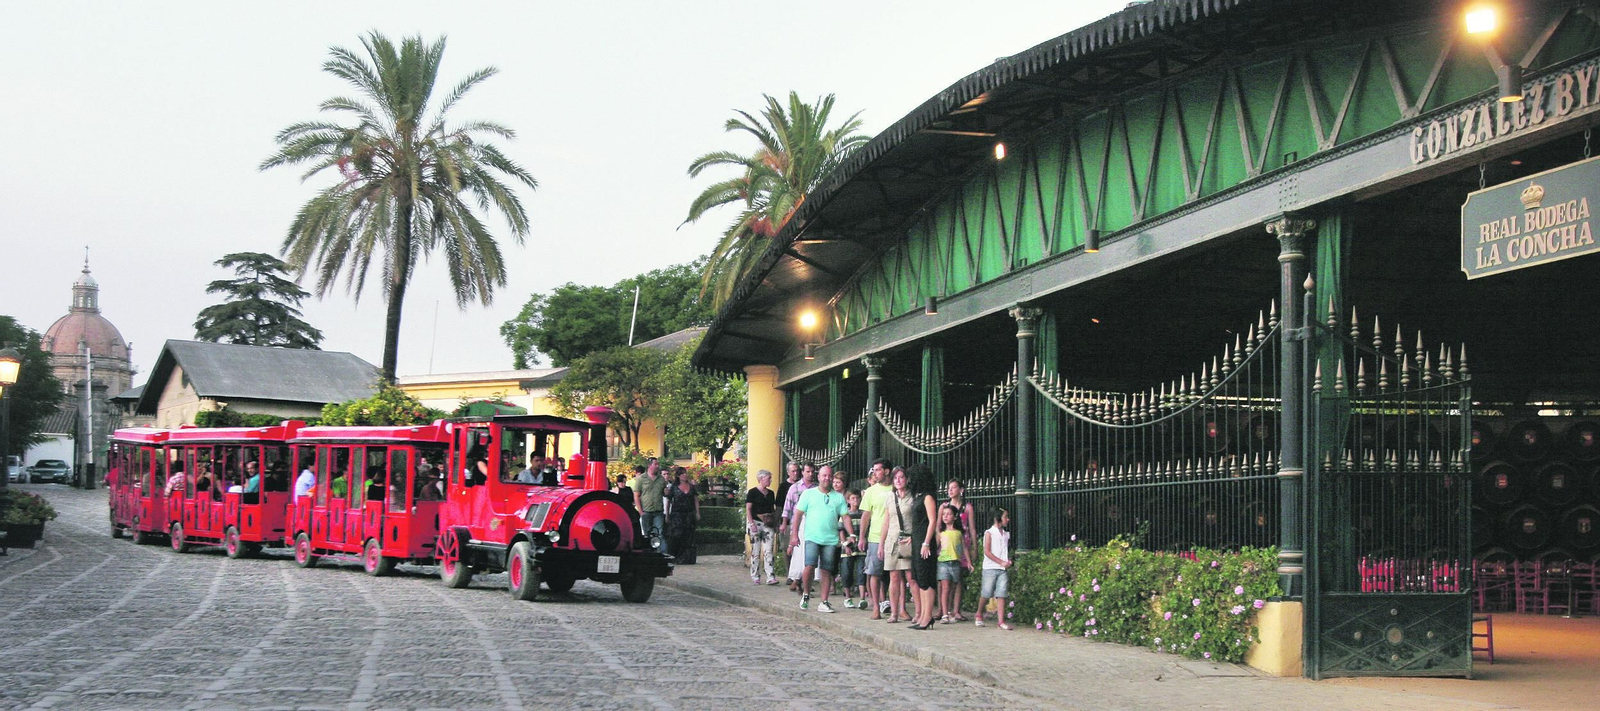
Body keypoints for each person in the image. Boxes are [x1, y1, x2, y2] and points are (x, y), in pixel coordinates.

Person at [791, 465, 853, 613]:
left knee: (826, 570)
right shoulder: (808, 494)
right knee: (809, 566)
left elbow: (845, 517)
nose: (827, 478)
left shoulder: (838, 497)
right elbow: (798, 514)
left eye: (829, 476)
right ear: (819, 477)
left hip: (830, 539)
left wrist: (852, 534)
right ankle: (806, 593)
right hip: (812, 536)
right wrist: (794, 535)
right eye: (824, 475)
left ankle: (824, 601)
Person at [905, 465, 941, 630]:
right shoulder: (918, 496)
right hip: (917, 541)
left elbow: (932, 521)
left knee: (927, 579)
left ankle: (927, 616)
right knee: (919, 578)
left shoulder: (928, 497)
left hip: (924, 543)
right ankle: (923, 616)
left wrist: (926, 542)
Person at [858, 458, 893, 619]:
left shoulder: (896, 488)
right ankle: (876, 606)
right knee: (874, 573)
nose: (875, 473)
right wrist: (862, 537)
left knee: (895, 574)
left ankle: (895, 605)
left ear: (886, 471)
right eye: (874, 470)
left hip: (894, 536)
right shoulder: (871, 491)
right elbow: (866, 515)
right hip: (875, 536)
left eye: (878, 470)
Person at [976, 506, 1013, 630]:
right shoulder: (989, 533)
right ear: (998, 518)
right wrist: (1001, 562)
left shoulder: (1006, 534)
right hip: (990, 567)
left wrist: (1007, 561)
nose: (1007, 519)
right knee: (986, 592)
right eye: (1005, 517)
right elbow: (987, 551)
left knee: (1002, 593)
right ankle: (979, 612)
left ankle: (1001, 621)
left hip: (1002, 569)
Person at [781, 462, 816, 590]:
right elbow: (787, 507)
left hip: (812, 524)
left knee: (809, 554)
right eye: (808, 471)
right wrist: (784, 523)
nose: (810, 474)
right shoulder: (795, 488)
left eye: (812, 471)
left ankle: (802, 581)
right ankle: (796, 578)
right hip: (797, 523)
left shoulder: (816, 488)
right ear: (803, 472)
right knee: (795, 552)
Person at [946, 478, 977, 621]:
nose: (950, 490)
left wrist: (975, 548)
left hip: (963, 545)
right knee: (947, 579)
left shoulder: (967, 507)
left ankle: (956, 610)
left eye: (953, 487)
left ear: (961, 490)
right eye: (949, 488)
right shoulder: (945, 507)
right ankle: (945, 609)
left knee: (958, 579)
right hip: (948, 545)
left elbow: (971, 528)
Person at [936, 503, 970, 624]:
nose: (945, 516)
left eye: (948, 514)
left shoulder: (959, 533)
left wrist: (969, 562)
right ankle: (944, 613)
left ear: (955, 517)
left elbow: (964, 548)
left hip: (955, 562)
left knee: (952, 588)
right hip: (943, 562)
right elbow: (936, 545)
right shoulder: (941, 532)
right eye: (944, 514)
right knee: (945, 588)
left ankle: (949, 611)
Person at [745, 469, 780, 585]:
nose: (770, 480)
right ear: (761, 479)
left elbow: (772, 509)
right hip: (756, 522)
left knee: (768, 550)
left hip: (767, 524)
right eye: (768, 478)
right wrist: (751, 523)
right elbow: (749, 509)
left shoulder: (771, 493)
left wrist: (775, 522)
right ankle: (755, 574)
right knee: (756, 550)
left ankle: (770, 575)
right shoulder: (752, 492)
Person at [664, 467, 699, 562]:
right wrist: (667, 514)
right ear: (678, 476)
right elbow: (668, 501)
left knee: (689, 536)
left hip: (689, 514)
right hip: (677, 515)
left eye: (685, 473)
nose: (685, 475)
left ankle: (688, 558)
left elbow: (695, 499)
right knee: (677, 535)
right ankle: (675, 556)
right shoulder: (674, 487)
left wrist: (697, 512)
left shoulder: (691, 486)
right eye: (682, 474)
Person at [839, 488, 867, 608]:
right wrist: (845, 544)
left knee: (861, 572)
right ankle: (848, 597)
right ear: (848, 500)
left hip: (860, 548)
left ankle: (862, 598)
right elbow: (841, 531)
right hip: (848, 548)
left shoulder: (863, 514)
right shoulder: (845, 514)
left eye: (857, 498)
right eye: (853, 498)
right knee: (846, 572)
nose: (856, 500)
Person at [632, 459, 667, 552]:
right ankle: (649, 554)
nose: (657, 466)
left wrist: (666, 492)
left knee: (659, 533)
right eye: (656, 464)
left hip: (658, 511)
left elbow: (665, 493)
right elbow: (636, 496)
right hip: (646, 511)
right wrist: (641, 512)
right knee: (647, 535)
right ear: (650, 465)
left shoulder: (661, 479)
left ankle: (662, 555)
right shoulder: (641, 479)